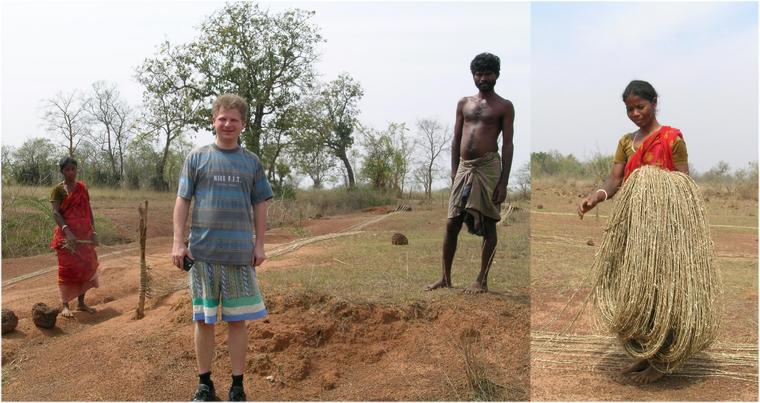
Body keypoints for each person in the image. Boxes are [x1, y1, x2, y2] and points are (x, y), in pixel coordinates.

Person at [577, 80, 688, 384]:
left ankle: (661, 361)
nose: (636, 113)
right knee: (638, 290)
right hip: (633, 228)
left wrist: (654, 186)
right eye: (630, 109)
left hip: (664, 228)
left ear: (654, 102)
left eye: (640, 106)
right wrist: (595, 197)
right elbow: (615, 180)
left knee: (663, 291)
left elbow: (683, 183)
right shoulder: (627, 142)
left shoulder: (672, 139)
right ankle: (644, 354)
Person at [172, 94, 273, 401]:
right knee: (203, 320)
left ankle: (237, 386)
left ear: (242, 125)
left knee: (237, 321)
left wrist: (260, 245)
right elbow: (182, 200)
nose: (227, 124)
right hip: (202, 254)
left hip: (239, 255)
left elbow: (260, 206)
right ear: (214, 121)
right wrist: (178, 242)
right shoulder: (197, 158)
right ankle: (204, 384)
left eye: (234, 120)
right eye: (222, 118)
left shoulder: (251, 162)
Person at [426, 52, 515, 294]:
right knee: (452, 222)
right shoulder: (463, 103)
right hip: (464, 167)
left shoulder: (504, 107)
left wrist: (503, 182)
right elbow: (456, 139)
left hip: (487, 168)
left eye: (487, 73)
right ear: (473, 75)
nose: (483, 78)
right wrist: (455, 172)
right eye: (478, 73)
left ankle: (482, 280)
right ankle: (445, 277)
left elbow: (507, 144)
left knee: (488, 224)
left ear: (497, 75)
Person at [50, 157, 99, 318]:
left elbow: (88, 209)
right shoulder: (58, 191)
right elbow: (56, 212)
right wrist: (67, 231)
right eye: (67, 170)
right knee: (67, 269)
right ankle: (65, 306)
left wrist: (93, 231)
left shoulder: (82, 188)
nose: (71, 172)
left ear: (76, 170)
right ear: (62, 171)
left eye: (73, 169)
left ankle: (81, 303)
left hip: (84, 236)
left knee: (85, 267)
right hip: (66, 239)